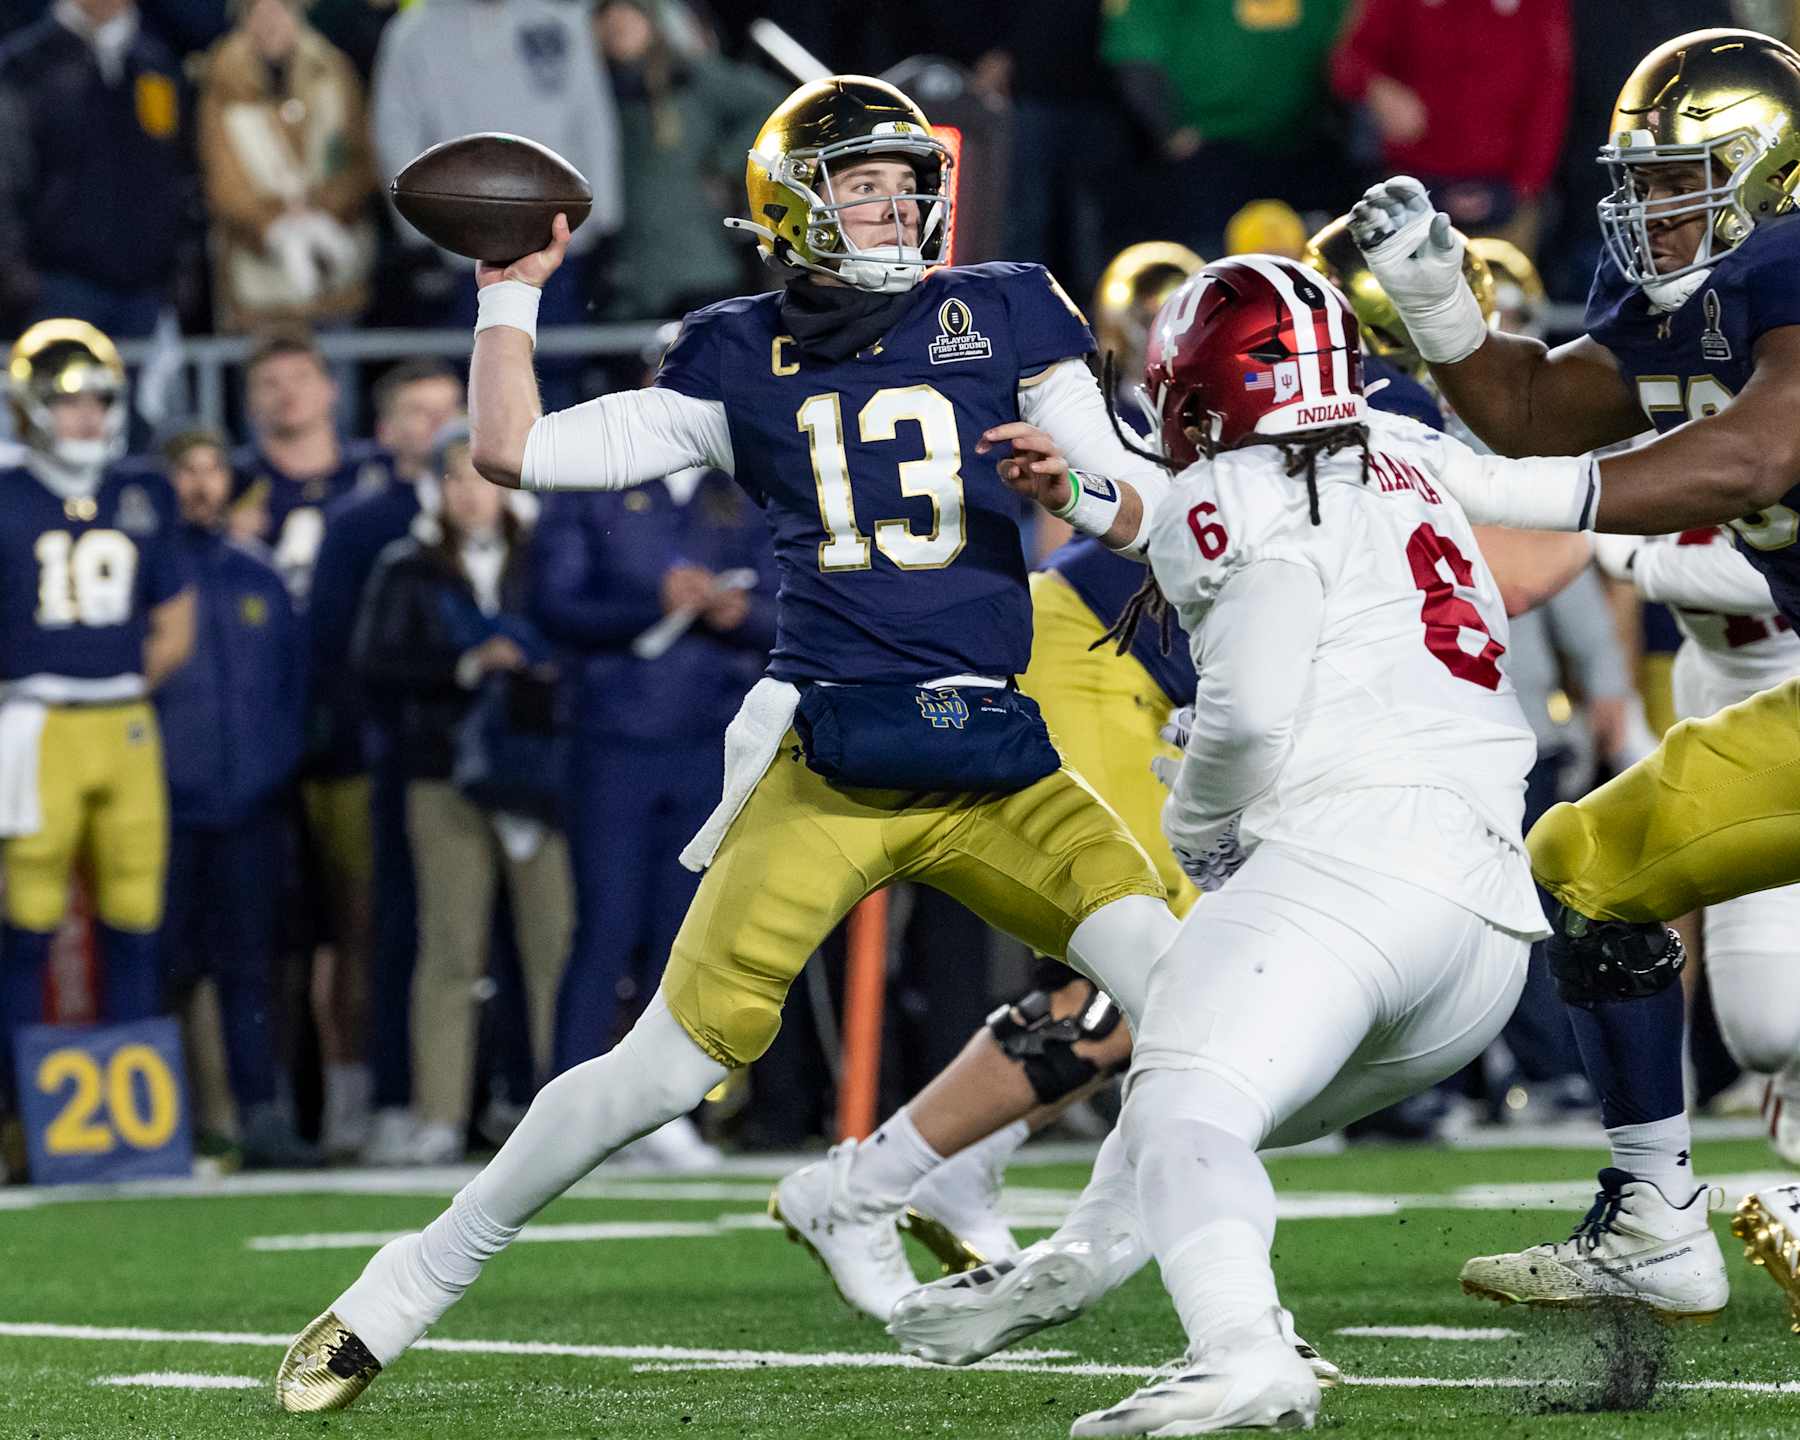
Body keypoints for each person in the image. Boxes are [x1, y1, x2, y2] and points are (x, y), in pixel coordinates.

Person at [275, 73, 1184, 1412]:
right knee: (662, 1070)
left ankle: (1117, 1268)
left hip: (998, 756)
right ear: (792, 207)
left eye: (904, 181)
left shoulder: (1003, 308)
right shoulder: (735, 352)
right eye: (859, 184)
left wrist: (1082, 488)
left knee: (1196, 999)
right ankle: (412, 1276)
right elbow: (513, 451)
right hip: (833, 762)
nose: (892, 205)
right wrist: (508, 291)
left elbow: (1150, 507)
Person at [908, 255, 1561, 1435]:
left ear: (1200, 390)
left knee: (1188, 1100)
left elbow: (1251, 703)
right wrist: (1096, 498)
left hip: (1348, 869)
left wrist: (1198, 829)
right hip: (1485, 927)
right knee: (1191, 1102)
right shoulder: (1404, 453)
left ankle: (1243, 1346)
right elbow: (1218, 512)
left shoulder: (1242, 490)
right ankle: (1085, 1259)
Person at [1343, 27, 1800, 1325]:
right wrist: (1439, 311)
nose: (1654, 210)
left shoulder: (1791, 262)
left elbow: (1764, 454)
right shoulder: (1692, 292)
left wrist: (1538, 498)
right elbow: (1538, 408)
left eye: (1682, 179)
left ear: (1771, 172)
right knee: (1585, 869)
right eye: (1643, 183)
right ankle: (1657, 1220)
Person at [770, 241, 1207, 1305]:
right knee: (1159, 965)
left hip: (1156, 670)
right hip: (1098, 655)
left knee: (1169, 974)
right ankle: (885, 1174)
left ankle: (959, 1168)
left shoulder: (1387, 416)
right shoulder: (1389, 414)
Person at [352, 424, 572, 1166]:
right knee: (450, 949)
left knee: (554, 948)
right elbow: (375, 664)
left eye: (481, 476)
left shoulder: (547, 556)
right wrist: (464, 665)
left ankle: (567, 1114)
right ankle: (439, 1114)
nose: (469, 493)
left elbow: (580, 643)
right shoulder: (408, 566)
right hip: (443, 775)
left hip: (537, 776)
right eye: (455, 478)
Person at [0, 321, 193, 1134]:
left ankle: (132, 1121)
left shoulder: (140, 489)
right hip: (34, 721)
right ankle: (22, 1116)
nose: (88, 419)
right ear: (31, 406)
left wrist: (111, 685)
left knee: (136, 912)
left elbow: (175, 621)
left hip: (124, 722)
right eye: (70, 403)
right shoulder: (8, 494)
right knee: (26, 920)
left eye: (99, 402)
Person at [232, 329, 395, 1159]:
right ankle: (263, 1107)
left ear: (331, 390)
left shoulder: (371, 485)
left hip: (348, 733)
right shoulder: (230, 488)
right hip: (251, 739)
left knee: (360, 924)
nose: (285, 396)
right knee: (266, 933)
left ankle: (350, 1102)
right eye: (268, 382)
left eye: (298, 379)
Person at [1591, 525, 1800, 1163]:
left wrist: (1615, 547)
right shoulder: (1653, 434)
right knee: (1763, 1033)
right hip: (1733, 707)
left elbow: (1754, 575)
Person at [302, 358, 464, 1164]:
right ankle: (391, 1094)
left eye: (448, 407)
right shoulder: (365, 524)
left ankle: (484, 1096)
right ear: (386, 428)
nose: (435, 425)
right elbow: (335, 648)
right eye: (417, 412)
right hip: (397, 750)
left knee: (499, 937)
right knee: (391, 926)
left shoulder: (500, 503)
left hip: (500, 755)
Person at [154, 426, 315, 1169]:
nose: (200, 484)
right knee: (159, 967)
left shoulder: (257, 573)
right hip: (160, 811)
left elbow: (291, 691)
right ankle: (155, 1126)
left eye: (212, 468)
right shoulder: (141, 570)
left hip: (248, 808)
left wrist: (267, 774)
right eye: (185, 470)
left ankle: (260, 1117)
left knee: (249, 969)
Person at [0, 0, 192, 338]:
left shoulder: (157, 63)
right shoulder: (24, 63)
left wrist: (183, 262)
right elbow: (7, 173)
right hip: (56, 283)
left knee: (141, 390)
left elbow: (180, 171)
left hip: (147, 286)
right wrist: (14, 270)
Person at [196, 0, 377, 334]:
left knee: (337, 373)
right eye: (258, 13)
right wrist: (274, 225)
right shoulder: (222, 79)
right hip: (257, 279)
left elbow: (360, 159)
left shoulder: (332, 70)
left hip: (335, 267)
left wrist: (324, 211)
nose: (270, 23)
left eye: (280, 10)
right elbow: (221, 176)